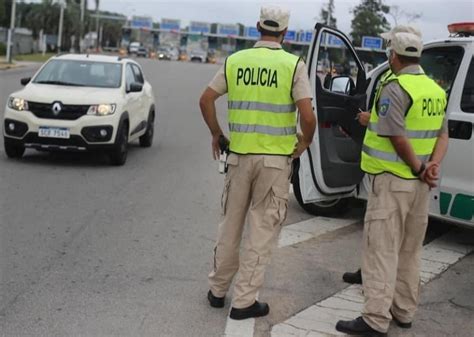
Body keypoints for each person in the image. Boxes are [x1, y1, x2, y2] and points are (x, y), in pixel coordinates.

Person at [199, 5, 316, 320]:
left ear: (257, 27)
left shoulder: (236, 61)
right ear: (285, 33)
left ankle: (217, 291)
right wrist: (304, 142)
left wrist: (216, 134)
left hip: (238, 157)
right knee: (261, 231)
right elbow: (308, 115)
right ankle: (244, 302)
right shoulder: (293, 65)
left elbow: (206, 99)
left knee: (230, 227)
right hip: (275, 164)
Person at [335, 25, 449, 337]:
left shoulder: (396, 88)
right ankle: (403, 311)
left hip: (394, 182)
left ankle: (374, 319)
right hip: (420, 187)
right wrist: (432, 167)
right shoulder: (436, 90)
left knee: (381, 250)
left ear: (394, 55)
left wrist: (416, 167)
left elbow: (397, 136)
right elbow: (443, 135)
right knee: (410, 250)